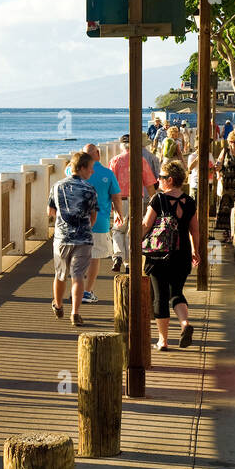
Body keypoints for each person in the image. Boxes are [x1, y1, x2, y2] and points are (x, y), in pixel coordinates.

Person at [142, 161, 201, 351]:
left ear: (169, 180)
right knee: (176, 292)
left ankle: (163, 341)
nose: (158, 179)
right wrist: (195, 251)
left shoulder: (158, 200)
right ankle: (185, 324)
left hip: (159, 255)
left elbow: (145, 226)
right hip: (182, 254)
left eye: (161, 176)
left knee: (160, 296)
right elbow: (195, 231)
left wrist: (134, 242)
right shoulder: (190, 201)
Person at [49, 151, 98, 326]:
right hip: (83, 238)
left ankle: (58, 305)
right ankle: (75, 313)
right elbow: (93, 215)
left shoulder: (57, 186)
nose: (92, 172)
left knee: (60, 274)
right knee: (78, 276)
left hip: (62, 238)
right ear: (82, 168)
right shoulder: (90, 189)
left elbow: (51, 211)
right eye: (90, 168)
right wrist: (86, 228)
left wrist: (62, 224)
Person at [80, 142, 122, 302]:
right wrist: (119, 214)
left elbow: (67, 169)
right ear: (98, 153)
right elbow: (116, 197)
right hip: (100, 222)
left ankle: (77, 289)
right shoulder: (108, 173)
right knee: (94, 257)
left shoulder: (74, 171)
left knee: (78, 257)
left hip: (77, 224)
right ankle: (87, 292)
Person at [108, 135, 154, 273]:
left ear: (122, 146)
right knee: (132, 231)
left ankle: (118, 256)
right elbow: (150, 183)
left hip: (119, 200)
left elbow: (111, 184)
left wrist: (108, 201)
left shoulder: (115, 160)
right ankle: (129, 264)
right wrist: (154, 200)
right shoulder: (140, 160)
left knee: (117, 230)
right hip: (136, 200)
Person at [216, 129, 235, 238]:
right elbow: (218, 164)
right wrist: (218, 172)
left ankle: (234, 232)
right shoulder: (225, 151)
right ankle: (226, 233)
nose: (233, 144)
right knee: (225, 208)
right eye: (231, 141)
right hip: (226, 183)